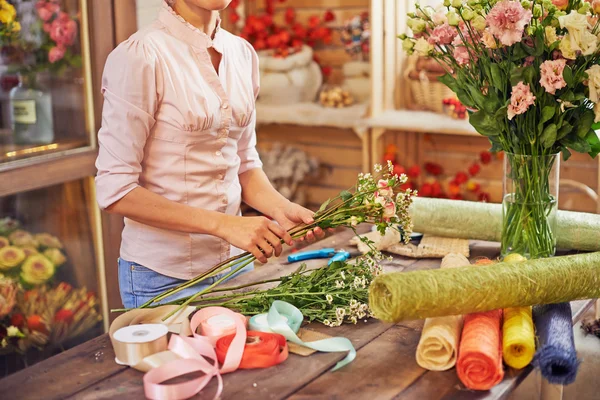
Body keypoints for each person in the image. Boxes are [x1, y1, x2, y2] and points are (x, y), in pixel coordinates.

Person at [95, 0, 325, 309]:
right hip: (164, 279)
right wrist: (225, 225)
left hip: (235, 266)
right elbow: (115, 190)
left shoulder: (242, 54)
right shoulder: (139, 56)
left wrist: (281, 209)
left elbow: (244, 162)